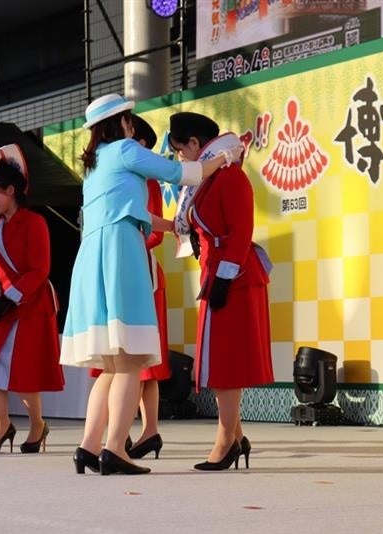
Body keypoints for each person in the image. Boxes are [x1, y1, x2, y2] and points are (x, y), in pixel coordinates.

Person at [60, 93, 242, 476]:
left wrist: (174, 225)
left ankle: (88, 447)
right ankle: (115, 449)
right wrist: (223, 157)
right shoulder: (125, 149)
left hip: (91, 256)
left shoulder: (94, 164)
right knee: (129, 362)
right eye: (129, 119)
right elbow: (185, 173)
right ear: (122, 123)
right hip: (120, 253)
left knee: (111, 366)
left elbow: (134, 212)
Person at [168, 111, 274, 471]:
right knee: (218, 361)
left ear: (195, 144)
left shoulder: (230, 177)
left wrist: (225, 277)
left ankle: (226, 441)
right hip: (217, 274)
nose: (180, 157)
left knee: (224, 364)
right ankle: (236, 437)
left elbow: (241, 231)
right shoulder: (206, 180)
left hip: (235, 277)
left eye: (181, 150)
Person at [87, 115, 170, 460]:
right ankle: (117, 440)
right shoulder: (116, 171)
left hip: (140, 271)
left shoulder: (144, 179)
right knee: (124, 362)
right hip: (118, 266)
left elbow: (153, 232)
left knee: (138, 360)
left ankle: (145, 429)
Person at [0, 155, 64, 455]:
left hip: (32, 305)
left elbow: (40, 270)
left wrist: (8, 298)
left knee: (25, 373)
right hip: (3, 307)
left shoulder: (35, 222)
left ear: (11, 190)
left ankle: (37, 425)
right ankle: (3, 426)